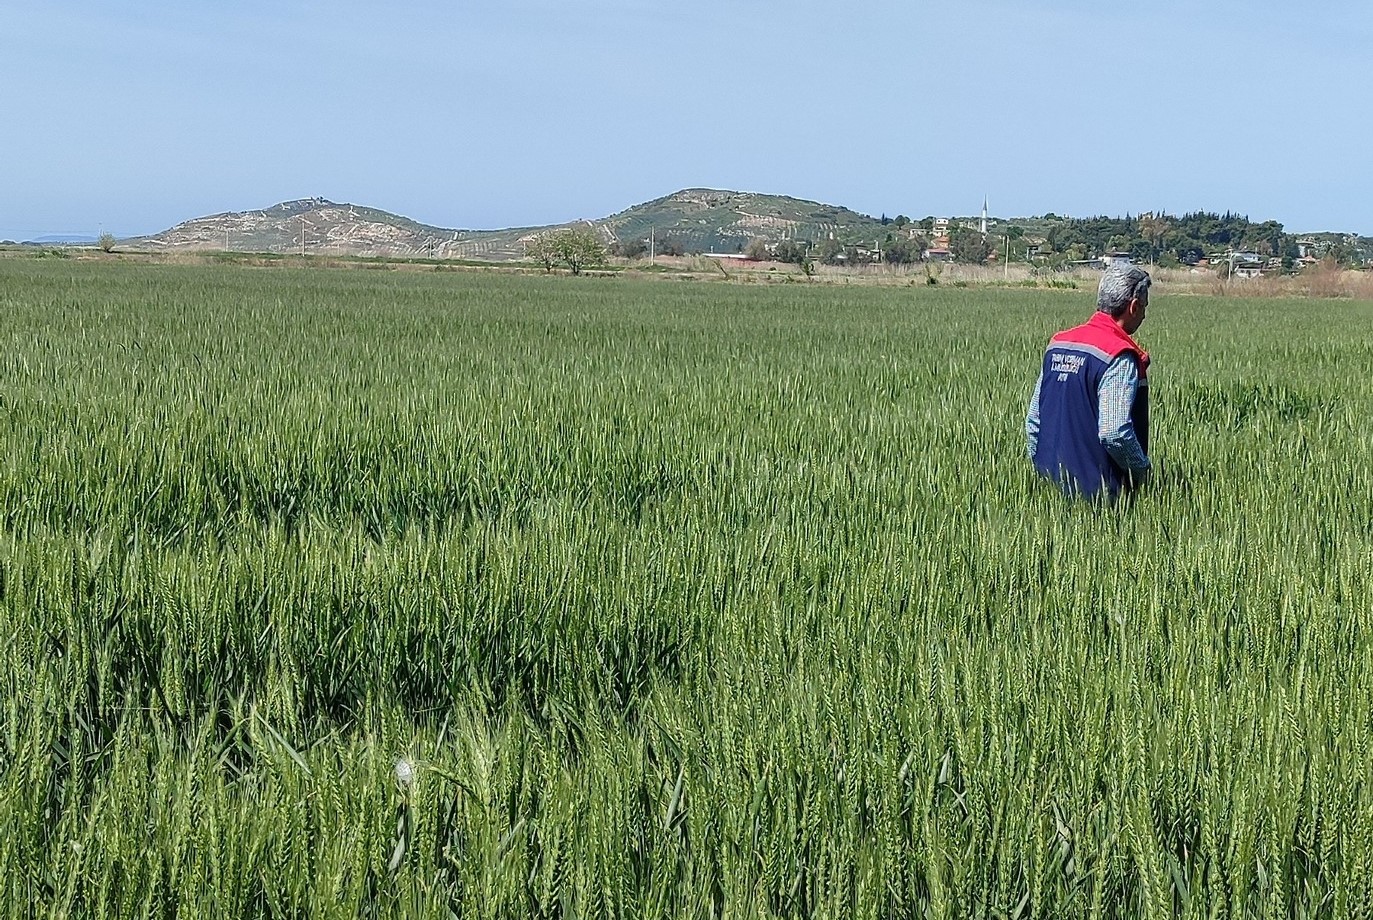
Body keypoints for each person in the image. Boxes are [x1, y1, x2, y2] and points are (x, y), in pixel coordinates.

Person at [1025, 265, 1152, 500]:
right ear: (1134, 306)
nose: (1144, 315)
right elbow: (1114, 432)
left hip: (1049, 494)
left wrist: (1043, 474)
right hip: (1100, 497)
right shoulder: (1118, 354)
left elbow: (1034, 422)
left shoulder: (1057, 345)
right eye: (1144, 307)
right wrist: (1142, 472)